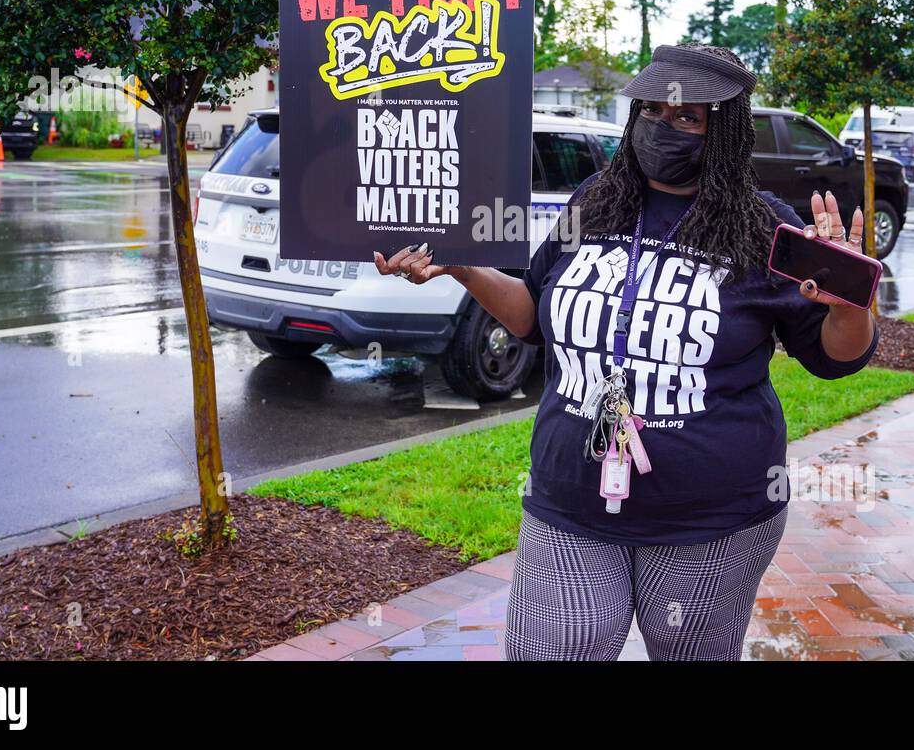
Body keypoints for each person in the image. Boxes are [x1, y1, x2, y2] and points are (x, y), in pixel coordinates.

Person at [374, 43, 879, 660]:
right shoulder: (595, 200)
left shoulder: (762, 227)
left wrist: (849, 304)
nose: (666, 128)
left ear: (724, 132)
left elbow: (838, 358)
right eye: (654, 112)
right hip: (571, 502)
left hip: (710, 521)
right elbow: (534, 317)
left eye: (690, 118)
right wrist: (463, 266)